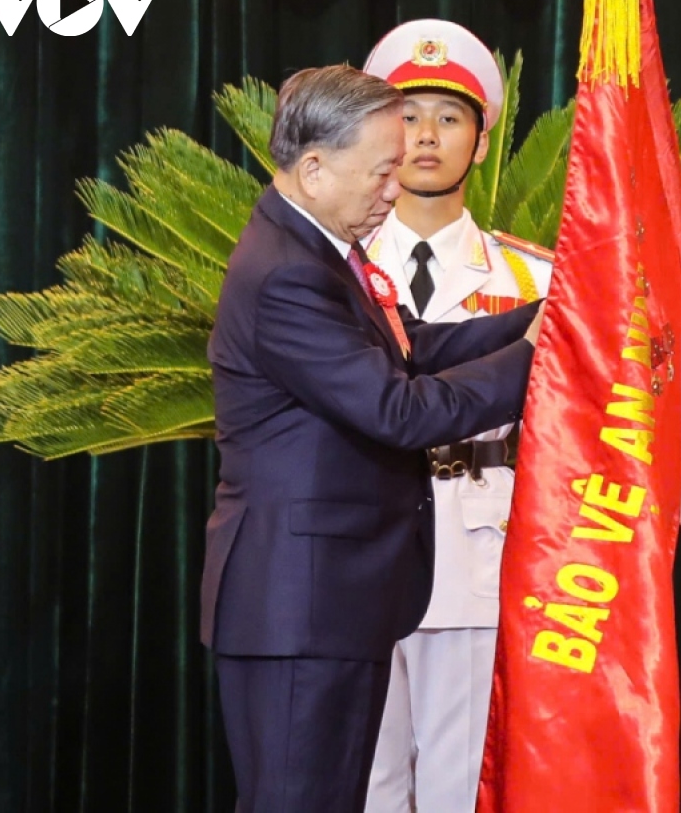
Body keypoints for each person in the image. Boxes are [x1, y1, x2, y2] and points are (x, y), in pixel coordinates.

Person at [202, 64, 543, 813]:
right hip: (302, 603)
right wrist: (536, 357)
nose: (394, 190)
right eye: (382, 171)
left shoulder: (313, 251)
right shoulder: (288, 274)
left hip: (328, 599)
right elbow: (400, 410)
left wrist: (539, 317)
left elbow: (410, 344)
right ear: (316, 166)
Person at [355, 20, 553, 813]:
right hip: (360, 551)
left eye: (448, 118)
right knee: (360, 786)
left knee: (459, 788)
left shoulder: (536, 276)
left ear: (480, 144)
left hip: (481, 554)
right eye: (407, 116)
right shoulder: (338, 268)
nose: (425, 137)